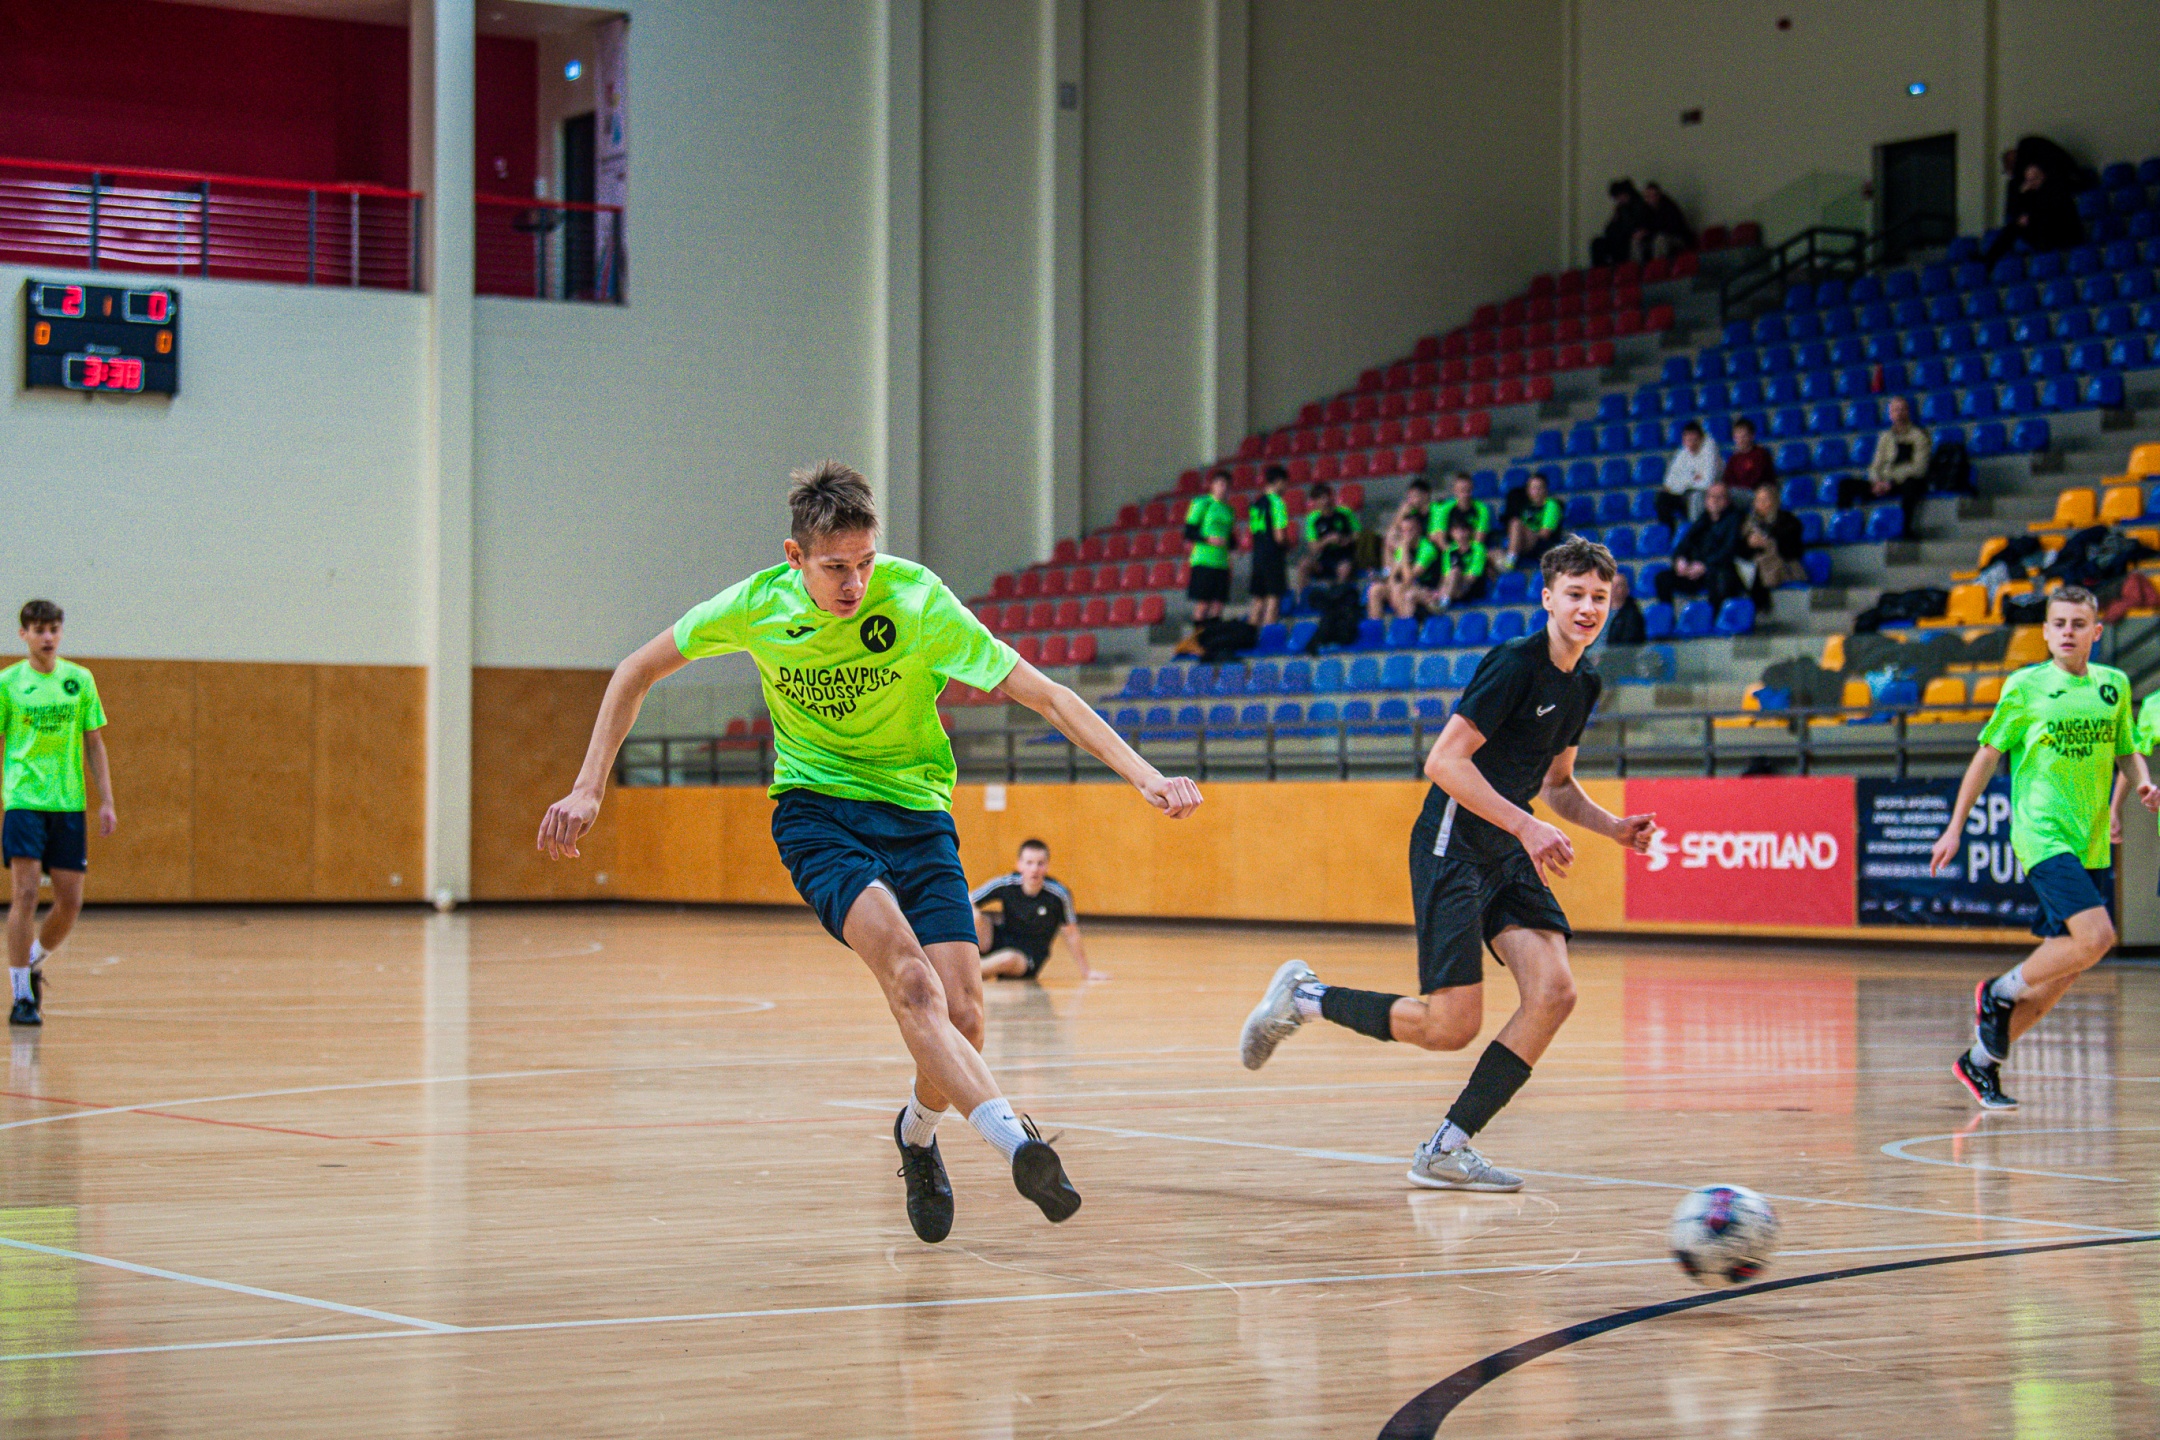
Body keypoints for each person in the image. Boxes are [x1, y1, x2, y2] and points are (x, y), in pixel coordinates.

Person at [536, 462, 1203, 1242]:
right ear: (795, 557)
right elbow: (636, 670)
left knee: (965, 1017)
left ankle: (916, 1137)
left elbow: (1046, 694)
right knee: (912, 982)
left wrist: (1145, 775)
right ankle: (1015, 1143)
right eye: (835, 567)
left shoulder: (917, 601)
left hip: (917, 816)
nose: (854, 583)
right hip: (818, 815)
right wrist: (588, 788)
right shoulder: (755, 606)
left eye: (865, 562)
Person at [1238, 537, 1656, 1190]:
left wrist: (1615, 828)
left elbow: (1557, 785)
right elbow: (1443, 762)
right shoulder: (1513, 665)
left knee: (1555, 992)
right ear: (1548, 598)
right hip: (1454, 846)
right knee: (1449, 1026)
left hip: (1506, 847)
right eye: (1574, 594)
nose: (1587, 607)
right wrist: (1526, 825)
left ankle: (1446, 1148)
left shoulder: (1584, 684)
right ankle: (1305, 998)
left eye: (1599, 597)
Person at [1929, 587, 2156, 1110]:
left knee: (2067, 967)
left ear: (2097, 631)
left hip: (2090, 840)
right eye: (2059, 624)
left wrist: (2141, 783)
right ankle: (1998, 990)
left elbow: (2126, 750)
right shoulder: (2025, 686)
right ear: (2047, 633)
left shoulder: (2114, 685)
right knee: (2098, 937)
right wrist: (1954, 826)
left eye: (2078, 623)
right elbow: (1987, 756)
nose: (2068, 632)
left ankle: (1980, 1062)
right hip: (2041, 833)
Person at [3, 601, 117, 1028]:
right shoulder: (9, 683)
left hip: (68, 804)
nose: (47, 637)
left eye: (53, 629)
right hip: (24, 800)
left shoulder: (79, 680)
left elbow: (94, 743)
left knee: (70, 902)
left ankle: (33, 962)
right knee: (26, 894)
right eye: (39, 630)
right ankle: (21, 997)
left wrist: (107, 800)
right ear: (24, 635)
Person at [973, 839, 1097, 983]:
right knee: (972, 914)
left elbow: (1071, 933)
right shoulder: (1006, 883)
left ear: (1047, 866)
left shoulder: (1059, 894)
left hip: (1027, 956)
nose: (1034, 869)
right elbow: (967, 901)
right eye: (1029, 863)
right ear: (1019, 865)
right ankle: (969, 963)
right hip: (1000, 941)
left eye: (1040, 864)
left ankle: (966, 973)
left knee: (1007, 959)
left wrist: (1086, 971)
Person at [1838, 395, 1932, 537]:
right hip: (1882, 482)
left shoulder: (1919, 436)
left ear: (1908, 412)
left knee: (1912, 485)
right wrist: (1877, 482)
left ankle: (1905, 529)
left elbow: (1919, 468)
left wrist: (1891, 483)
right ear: (1890, 414)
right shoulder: (1885, 436)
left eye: (1902, 409)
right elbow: (1875, 465)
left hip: (1902, 481)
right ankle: (1845, 527)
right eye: (1895, 410)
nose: (1899, 413)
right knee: (1845, 485)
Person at [1656, 480, 1744, 608]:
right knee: (1662, 579)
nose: (1714, 500)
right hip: (1694, 570)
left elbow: (1728, 550)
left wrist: (1705, 566)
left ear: (1727, 500)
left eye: (1719, 497)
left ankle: (1716, 617)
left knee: (1719, 577)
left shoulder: (1734, 519)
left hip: (1715, 569)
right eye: (1711, 496)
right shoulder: (1703, 519)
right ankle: (1667, 617)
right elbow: (1684, 543)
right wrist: (1680, 559)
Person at [1982, 161, 2085, 266]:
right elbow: (2018, 211)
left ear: (2043, 176)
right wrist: (2022, 194)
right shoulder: (2032, 192)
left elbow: (2048, 212)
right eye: (2028, 180)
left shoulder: (2054, 189)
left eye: (2035, 179)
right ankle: (1990, 258)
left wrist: (2028, 214)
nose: (2031, 183)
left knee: (2025, 225)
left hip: (2063, 232)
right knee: (2013, 227)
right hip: (2045, 231)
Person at [1741, 480, 1807, 605]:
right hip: (1755, 563)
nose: (1761, 504)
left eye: (1765, 500)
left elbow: (1793, 550)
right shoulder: (1748, 522)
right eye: (1758, 500)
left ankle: (1760, 607)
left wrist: (1768, 543)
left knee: (1760, 568)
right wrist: (1749, 543)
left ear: (1775, 501)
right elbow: (1740, 548)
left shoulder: (1789, 521)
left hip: (1782, 562)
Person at [1184, 469, 1237, 623]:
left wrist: (1233, 550)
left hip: (1222, 562)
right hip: (1204, 560)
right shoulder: (1202, 503)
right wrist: (1208, 539)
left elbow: (1229, 535)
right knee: (1203, 604)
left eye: (1226, 485)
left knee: (1218, 605)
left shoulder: (1229, 510)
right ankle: (1198, 635)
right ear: (1212, 485)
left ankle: (1213, 635)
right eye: (1220, 484)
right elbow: (1189, 532)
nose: (1223, 488)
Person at [1245, 465, 1293, 628]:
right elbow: (1279, 536)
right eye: (1285, 483)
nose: (1286, 487)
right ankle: (1268, 636)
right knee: (1273, 598)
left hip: (1258, 555)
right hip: (1273, 556)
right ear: (1278, 482)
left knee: (1258, 600)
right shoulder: (1277, 503)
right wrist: (1288, 546)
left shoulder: (1257, 504)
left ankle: (1250, 634)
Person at [1368, 514, 1437, 621]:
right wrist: (1392, 588)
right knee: (1375, 590)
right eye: (1404, 531)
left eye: (1411, 530)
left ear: (1418, 529)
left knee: (1402, 590)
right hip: (1407, 587)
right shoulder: (1402, 547)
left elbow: (1408, 578)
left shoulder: (1427, 548)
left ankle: (1405, 626)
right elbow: (1393, 575)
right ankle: (1375, 626)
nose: (1407, 534)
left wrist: (1404, 548)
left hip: (1427, 589)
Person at [1655, 421, 1720, 530]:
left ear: (1701, 439)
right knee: (1661, 498)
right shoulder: (1682, 453)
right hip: (1684, 494)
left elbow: (1708, 482)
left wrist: (1683, 482)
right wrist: (1692, 480)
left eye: (1695, 440)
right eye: (1688, 440)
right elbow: (1668, 482)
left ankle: (1698, 532)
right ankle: (1670, 532)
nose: (1691, 444)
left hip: (1705, 496)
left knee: (1695, 496)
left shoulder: (1710, 448)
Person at [1297, 482, 1360, 588]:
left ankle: (1339, 594)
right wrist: (1328, 540)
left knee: (1344, 569)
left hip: (1344, 556)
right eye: (1321, 498)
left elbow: (1358, 535)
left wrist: (1347, 540)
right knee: (1304, 564)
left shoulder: (1345, 513)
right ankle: (1302, 596)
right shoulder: (1312, 519)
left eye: (1327, 497)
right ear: (1315, 502)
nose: (1325, 501)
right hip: (1324, 558)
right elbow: (1313, 548)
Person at [1507, 471, 1564, 567]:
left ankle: (1510, 560)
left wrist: (1522, 534)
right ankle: (1508, 561)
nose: (1536, 492)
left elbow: (1545, 534)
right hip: (1525, 544)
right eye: (1533, 488)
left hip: (1544, 545)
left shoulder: (1552, 505)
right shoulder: (1527, 506)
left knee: (1516, 523)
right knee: (1490, 554)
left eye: (1539, 488)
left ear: (1545, 490)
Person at [1436, 513, 1491, 607]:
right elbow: (1445, 576)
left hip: (1472, 587)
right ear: (1451, 533)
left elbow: (1473, 576)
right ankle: (1443, 599)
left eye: (1463, 530)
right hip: (1453, 587)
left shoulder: (1478, 548)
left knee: (1455, 571)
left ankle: (1443, 603)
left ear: (1469, 531)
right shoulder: (1449, 551)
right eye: (1456, 530)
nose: (1460, 534)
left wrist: (1456, 580)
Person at [1591, 179, 1649, 268]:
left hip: (1629, 238)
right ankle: (1600, 271)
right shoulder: (1620, 209)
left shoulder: (1639, 205)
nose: (1618, 200)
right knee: (1597, 243)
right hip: (1620, 238)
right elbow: (1609, 230)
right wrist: (1615, 220)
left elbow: (1638, 224)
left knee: (1620, 243)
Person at [1429, 471, 1493, 548]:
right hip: (1450, 549)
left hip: (1472, 549)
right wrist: (1451, 552)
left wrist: (1466, 553)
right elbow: (1440, 538)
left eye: (1468, 490)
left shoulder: (1482, 509)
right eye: (1462, 490)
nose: (1465, 494)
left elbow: (1479, 539)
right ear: (1455, 491)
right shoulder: (1444, 509)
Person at [1635, 182, 1695, 261]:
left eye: (1652, 196)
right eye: (1647, 196)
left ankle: (1659, 264)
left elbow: (1671, 228)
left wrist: (1648, 231)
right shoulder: (1645, 208)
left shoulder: (1669, 207)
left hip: (1676, 237)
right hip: (1654, 235)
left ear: (1658, 195)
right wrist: (1640, 232)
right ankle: (1637, 265)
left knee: (1660, 239)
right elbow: (1642, 223)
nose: (1649, 199)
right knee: (1636, 240)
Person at [1720, 417, 1777, 495]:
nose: (1741, 440)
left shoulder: (1761, 454)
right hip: (1737, 494)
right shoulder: (1733, 458)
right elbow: (1727, 480)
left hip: (1758, 493)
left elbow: (1758, 480)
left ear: (1752, 436)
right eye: (1737, 437)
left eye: (1744, 436)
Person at [1604, 569, 1646, 646]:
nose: (1613, 589)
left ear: (1627, 590)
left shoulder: (1632, 617)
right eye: (1611, 585)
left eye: (1619, 585)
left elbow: (1626, 646)